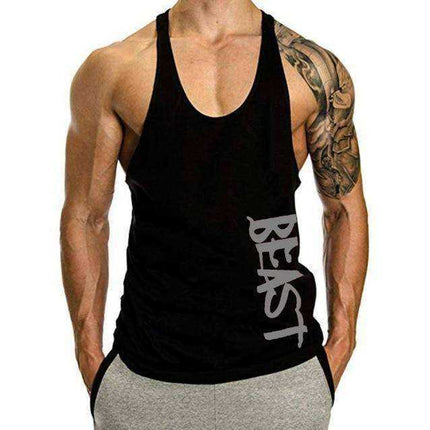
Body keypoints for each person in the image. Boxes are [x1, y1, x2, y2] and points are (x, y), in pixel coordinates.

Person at [60, 0, 368, 428]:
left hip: (283, 379)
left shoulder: (311, 72)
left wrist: (340, 346)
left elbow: (343, 211)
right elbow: (86, 217)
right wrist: (90, 358)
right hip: (145, 382)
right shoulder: (114, 69)